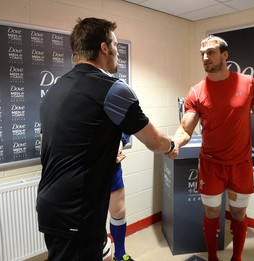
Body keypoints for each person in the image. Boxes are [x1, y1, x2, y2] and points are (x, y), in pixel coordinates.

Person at [37, 17, 179, 261]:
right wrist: (172, 145)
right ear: (104, 48)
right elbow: (154, 141)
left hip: (51, 205)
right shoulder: (112, 89)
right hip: (77, 211)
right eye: (115, 46)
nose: (117, 54)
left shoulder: (56, 88)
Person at [171, 35, 254, 261]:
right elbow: (185, 129)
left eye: (210, 52)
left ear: (224, 55)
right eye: (202, 54)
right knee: (211, 213)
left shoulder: (249, 84)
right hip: (211, 164)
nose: (205, 57)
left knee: (239, 214)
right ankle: (212, 257)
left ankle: (236, 258)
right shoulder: (197, 91)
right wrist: (172, 143)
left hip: (240, 163)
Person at [109, 133, 133, 261]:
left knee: (119, 212)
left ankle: (120, 254)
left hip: (112, 168)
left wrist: (120, 142)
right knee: (91, 216)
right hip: (84, 169)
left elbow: (125, 125)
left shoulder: (116, 111)